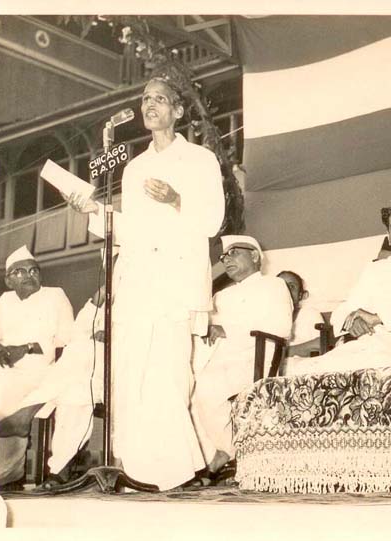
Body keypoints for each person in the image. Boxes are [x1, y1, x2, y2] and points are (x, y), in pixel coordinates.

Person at [64, 73, 225, 490]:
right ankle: (140, 468)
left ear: (178, 110)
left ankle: (175, 472)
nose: (149, 105)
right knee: (134, 372)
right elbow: (128, 229)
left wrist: (176, 200)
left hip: (175, 279)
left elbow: (213, 222)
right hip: (138, 279)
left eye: (159, 99)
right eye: (145, 99)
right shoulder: (135, 167)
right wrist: (91, 210)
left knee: (170, 373)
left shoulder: (201, 160)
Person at [286, 202, 391, 376]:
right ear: (389, 235)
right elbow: (343, 310)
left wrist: (378, 318)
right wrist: (353, 321)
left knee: (358, 369)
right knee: (307, 370)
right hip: (369, 343)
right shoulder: (376, 269)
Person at [192, 235, 293, 482]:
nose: (227, 260)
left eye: (235, 253)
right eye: (224, 256)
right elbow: (206, 327)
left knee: (206, 388)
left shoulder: (273, 286)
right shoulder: (221, 296)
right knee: (188, 388)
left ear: (255, 256)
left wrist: (228, 330)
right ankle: (212, 457)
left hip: (257, 359)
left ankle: (228, 451)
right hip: (220, 359)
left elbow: (281, 327)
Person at [16, 249, 118, 489]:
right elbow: (77, 331)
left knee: (81, 355)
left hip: (129, 366)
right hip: (91, 371)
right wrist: (96, 303)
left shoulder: (147, 292)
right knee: (76, 389)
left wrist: (112, 337)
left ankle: (37, 403)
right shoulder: (102, 298)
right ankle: (59, 467)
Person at [0, 245, 74, 488]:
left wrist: (26, 348)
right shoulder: (5, 300)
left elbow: (66, 339)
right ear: (8, 280)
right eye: (20, 272)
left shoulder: (55, 295)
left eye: (34, 270)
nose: (29, 276)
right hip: (4, 367)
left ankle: (8, 472)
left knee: (1, 391)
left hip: (42, 369)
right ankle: (1, 471)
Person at [277, 270, 324, 357]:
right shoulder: (266, 318)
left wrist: (283, 353)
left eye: (291, 286)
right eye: (281, 286)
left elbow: (321, 343)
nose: (286, 290)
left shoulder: (310, 314)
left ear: (300, 295)